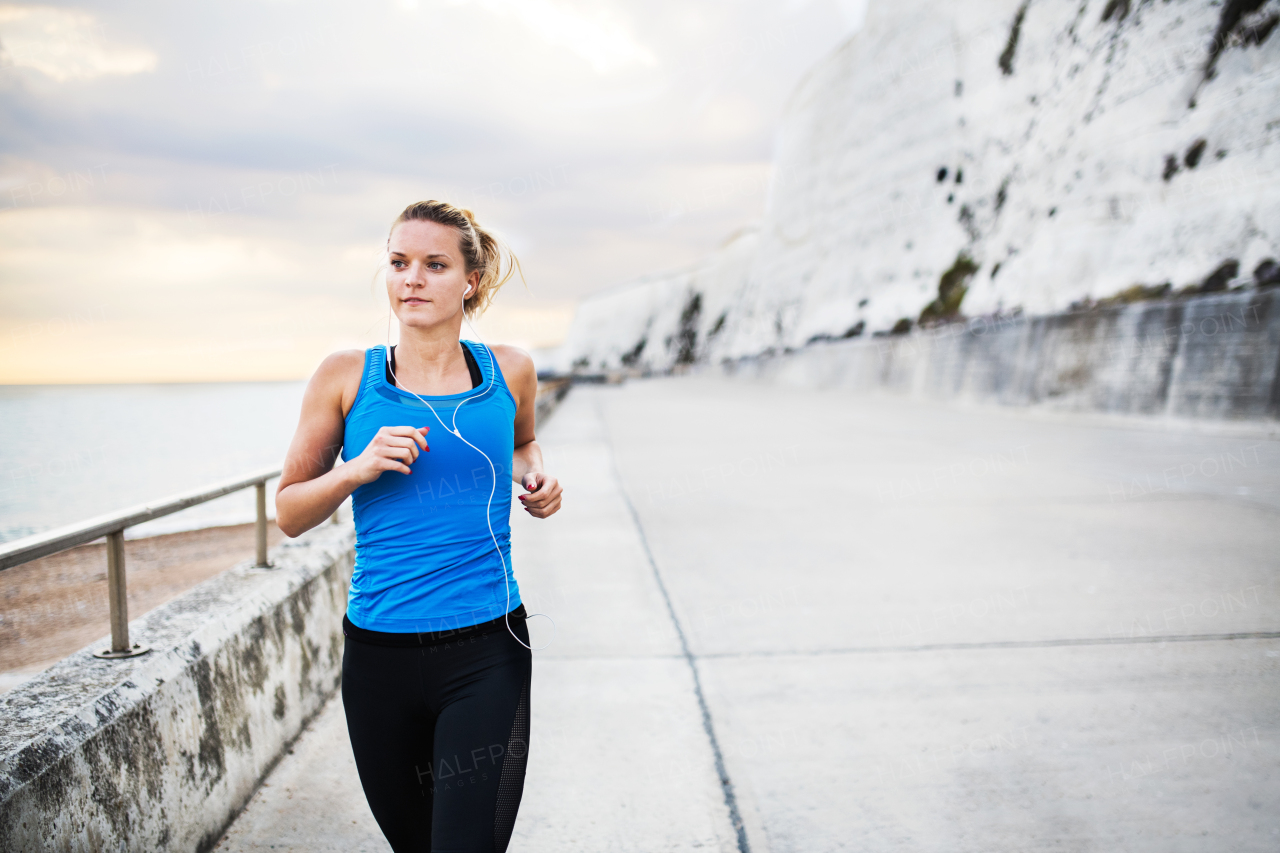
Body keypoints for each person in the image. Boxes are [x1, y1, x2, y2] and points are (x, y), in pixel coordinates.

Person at [275, 199, 563, 852]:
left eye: (434, 265)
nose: (411, 278)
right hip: (379, 658)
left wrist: (538, 477)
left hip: (487, 647)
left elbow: (521, 445)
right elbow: (290, 512)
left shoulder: (508, 369)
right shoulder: (346, 376)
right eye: (399, 262)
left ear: (471, 281)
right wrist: (357, 469)